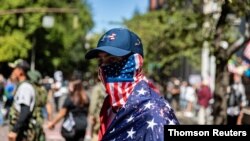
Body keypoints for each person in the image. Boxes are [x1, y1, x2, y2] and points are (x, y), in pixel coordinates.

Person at [85, 28, 179, 141]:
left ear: (136, 62)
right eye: (100, 61)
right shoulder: (110, 105)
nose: (104, 67)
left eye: (112, 60)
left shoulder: (155, 113)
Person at [7, 59, 43, 141]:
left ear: (20, 71)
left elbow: (25, 111)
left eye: (14, 69)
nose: (12, 72)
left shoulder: (25, 87)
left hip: (24, 132)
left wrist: (14, 131)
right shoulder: (22, 86)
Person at [47, 76, 89, 141]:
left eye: (70, 85)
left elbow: (61, 114)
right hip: (83, 126)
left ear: (74, 87)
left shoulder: (70, 99)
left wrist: (52, 123)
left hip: (71, 127)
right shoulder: (86, 99)